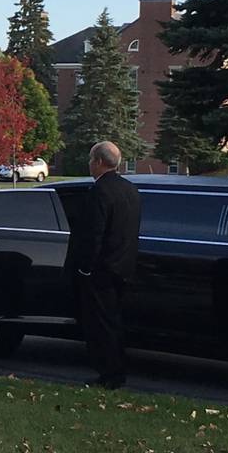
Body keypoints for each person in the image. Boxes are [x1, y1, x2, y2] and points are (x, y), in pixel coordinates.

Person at [65, 141, 140, 390]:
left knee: (100, 325)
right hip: (124, 267)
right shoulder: (130, 190)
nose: (89, 164)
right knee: (115, 322)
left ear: (98, 161)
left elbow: (93, 235)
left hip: (101, 271)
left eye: (90, 160)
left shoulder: (99, 192)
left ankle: (108, 374)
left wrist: (85, 267)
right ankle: (116, 370)